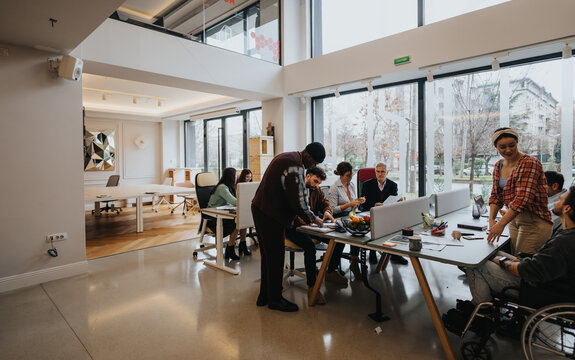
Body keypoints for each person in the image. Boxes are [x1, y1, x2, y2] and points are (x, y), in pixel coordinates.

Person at [465, 186, 575, 308]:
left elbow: (529, 270)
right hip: (550, 283)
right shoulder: (567, 233)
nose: (556, 200)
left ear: (567, 209)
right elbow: (543, 262)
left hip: (536, 289)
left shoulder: (564, 242)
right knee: (493, 254)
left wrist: (504, 262)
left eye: (560, 199)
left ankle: (482, 310)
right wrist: (516, 261)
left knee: (476, 264)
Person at [252, 142, 326, 312]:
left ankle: (264, 295)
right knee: (276, 256)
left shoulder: (288, 156)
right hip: (270, 214)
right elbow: (298, 201)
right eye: (314, 163)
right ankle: (275, 300)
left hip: (261, 209)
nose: (312, 167)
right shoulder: (295, 166)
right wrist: (314, 219)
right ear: (308, 156)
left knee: (268, 256)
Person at [487, 128, 552, 256]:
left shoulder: (529, 163)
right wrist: (491, 221)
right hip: (514, 220)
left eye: (512, 145)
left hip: (534, 221)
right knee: (516, 259)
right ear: (496, 147)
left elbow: (523, 198)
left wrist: (500, 224)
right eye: (502, 147)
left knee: (524, 266)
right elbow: (495, 196)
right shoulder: (498, 165)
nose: (508, 150)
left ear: (517, 142)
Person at [286, 167, 347, 305]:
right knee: (309, 247)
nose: (316, 185)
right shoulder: (295, 188)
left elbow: (325, 203)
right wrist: (310, 219)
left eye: (319, 183)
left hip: (311, 225)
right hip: (292, 227)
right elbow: (293, 210)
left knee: (339, 239)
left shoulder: (316, 189)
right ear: (307, 176)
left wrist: (327, 211)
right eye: (315, 181)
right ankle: (312, 287)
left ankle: (331, 271)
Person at [359, 163, 408, 265]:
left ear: (387, 173)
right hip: (371, 212)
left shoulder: (393, 185)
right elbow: (362, 204)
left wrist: (399, 202)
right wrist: (374, 205)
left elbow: (394, 202)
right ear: (375, 172)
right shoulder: (367, 184)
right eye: (378, 171)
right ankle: (373, 251)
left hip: (387, 213)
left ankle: (395, 254)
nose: (380, 174)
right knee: (375, 223)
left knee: (398, 223)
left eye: (382, 171)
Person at [329, 161, 365, 278]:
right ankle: (334, 268)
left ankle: (354, 261)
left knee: (359, 230)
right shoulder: (335, 187)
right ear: (341, 175)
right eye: (347, 175)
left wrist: (358, 202)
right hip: (339, 217)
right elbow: (333, 210)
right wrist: (349, 203)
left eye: (351, 175)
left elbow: (354, 204)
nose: (350, 178)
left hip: (351, 215)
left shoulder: (352, 185)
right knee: (354, 229)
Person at [206, 167, 242, 260]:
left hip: (221, 213)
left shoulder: (227, 186)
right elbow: (234, 201)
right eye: (235, 175)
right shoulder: (222, 187)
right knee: (237, 222)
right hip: (213, 217)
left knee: (238, 221)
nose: (237, 177)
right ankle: (230, 249)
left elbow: (233, 201)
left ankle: (230, 249)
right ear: (231, 177)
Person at [236, 168, 253, 255]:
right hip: (237, 208)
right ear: (243, 176)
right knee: (242, 220)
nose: (248, 179)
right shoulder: (238, 185)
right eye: (247, 177)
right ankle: (242, 245)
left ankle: (243, 244)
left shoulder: (250, 185)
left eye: (250, 177)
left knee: (245, 221)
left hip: (245, 207)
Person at [545, 170, 566, 235]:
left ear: (555, 186)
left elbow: (546, 226)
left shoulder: (560, 205)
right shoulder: (547, 199)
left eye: (541, 185)